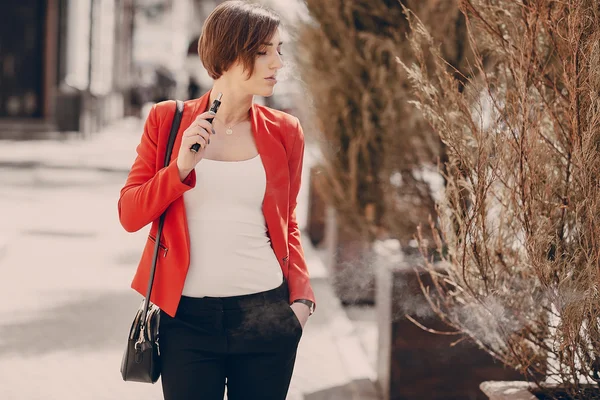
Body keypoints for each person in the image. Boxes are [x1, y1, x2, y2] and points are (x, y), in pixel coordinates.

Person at [117, 1, 316, 399]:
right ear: (227, 54)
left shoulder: (285, 131)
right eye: (264, 51)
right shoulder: (167, 120)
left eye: (280, 50)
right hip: (186, 320)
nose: (278, 63)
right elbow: (130, 213)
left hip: (268, 316)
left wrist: (301, 302)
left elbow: (287, 224)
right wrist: (179, 168)